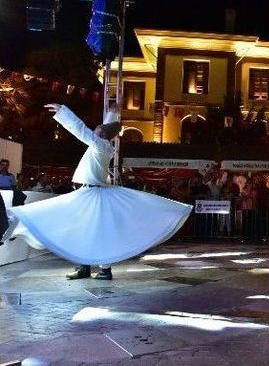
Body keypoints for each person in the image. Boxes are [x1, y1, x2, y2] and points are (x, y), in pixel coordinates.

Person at [4, 104, 192, 280]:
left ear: (100, 134)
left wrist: (63, 111)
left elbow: (81, 130)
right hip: (90, 193)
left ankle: (102, 269)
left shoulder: (100, 145)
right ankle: (88, 266)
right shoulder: (101, 145)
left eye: (97, 130)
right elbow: (105, 129)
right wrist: (112, 114)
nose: (93, 130)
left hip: (92, 195)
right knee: (87, 231)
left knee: (96, 232)